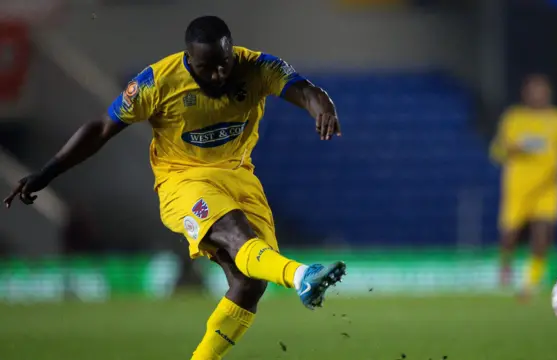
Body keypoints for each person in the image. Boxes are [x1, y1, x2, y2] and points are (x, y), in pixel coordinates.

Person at [4, 15, 346, 360]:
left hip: (239, 175)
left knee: (249, 283)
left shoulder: (255, 66)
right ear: (189, 59)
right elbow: (101, 129)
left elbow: (304, 89)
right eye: (206, 67)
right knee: (234, 232)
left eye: (223, 64)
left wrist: (323, 107)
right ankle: (302, 274)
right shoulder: (157, 82)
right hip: (183, 179)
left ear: (232, 53)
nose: (218, 75)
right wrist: (47, 173)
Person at [490, 74, 557, 299]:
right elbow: (497, 152)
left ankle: (529, 284)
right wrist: (515, 148)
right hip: (518, 187)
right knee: (510, 235)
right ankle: (504, 271)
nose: (539, 95)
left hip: (548, 187)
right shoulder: (514, 118)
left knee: (542, 235)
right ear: (526, 94)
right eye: (534, 90)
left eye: (542, 90)